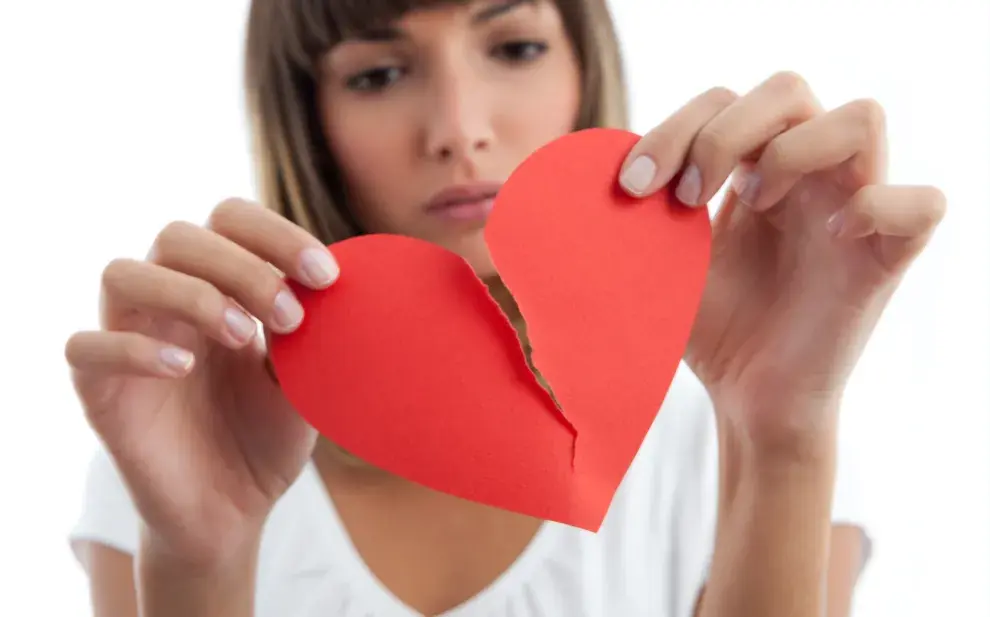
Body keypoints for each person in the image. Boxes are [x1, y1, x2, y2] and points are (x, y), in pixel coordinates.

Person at [63, 0, 944, 616]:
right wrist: (199, 563)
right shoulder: (187, 451)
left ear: (583, 64)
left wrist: (785, 426)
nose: (458, 124)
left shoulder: (722, 441)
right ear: (307, 117)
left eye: (513, 46)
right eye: (377, 72)